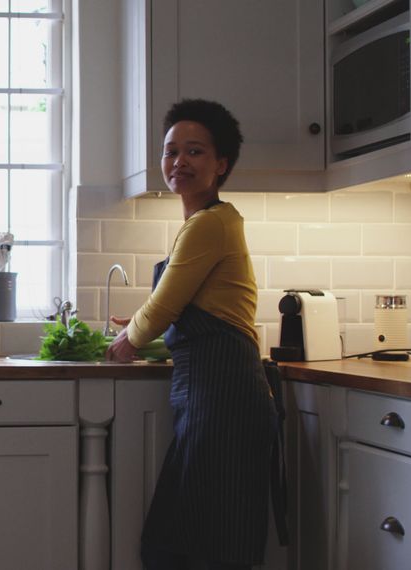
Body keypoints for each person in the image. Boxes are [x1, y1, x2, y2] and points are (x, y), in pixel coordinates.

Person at [106, 99, 277, 569]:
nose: (179, 161)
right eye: (171, 151)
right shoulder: (205, 223)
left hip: (223, 396)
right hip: (208, 393)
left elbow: (167, 303)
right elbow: (189, 308)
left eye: (195, 152)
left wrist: (129, 341)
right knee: (189, 539)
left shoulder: (211, 223)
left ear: (221, 164)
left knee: (206, 541)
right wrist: (140, 327)